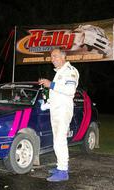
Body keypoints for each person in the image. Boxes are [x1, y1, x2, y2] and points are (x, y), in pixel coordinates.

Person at [38, 48, 79, 182]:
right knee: (57, 140)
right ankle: (60, 167)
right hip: (56, 110)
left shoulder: (70, 71)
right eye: (51, 57)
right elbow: (57, 94)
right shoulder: (60, 72)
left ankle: (63, 172)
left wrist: (51, 84)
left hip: (63, 111)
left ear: (63, 57)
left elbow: (70, 90)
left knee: (60, 140)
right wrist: (47, 103)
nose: (52, 59)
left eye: (55, 56)